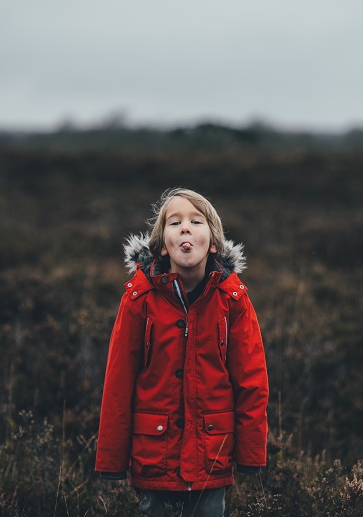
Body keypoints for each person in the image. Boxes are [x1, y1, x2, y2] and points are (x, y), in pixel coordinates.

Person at [95, 188, 269, 516]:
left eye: (196, 221)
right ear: (162, 245)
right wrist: (111, 461)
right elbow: (118, 384)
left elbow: (252, 382)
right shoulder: (138, 300)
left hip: (212, 456)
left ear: (213, 242)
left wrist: (250, 454)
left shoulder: (233, 300)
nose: (185, 228)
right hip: (153, 456)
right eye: (174, 222)